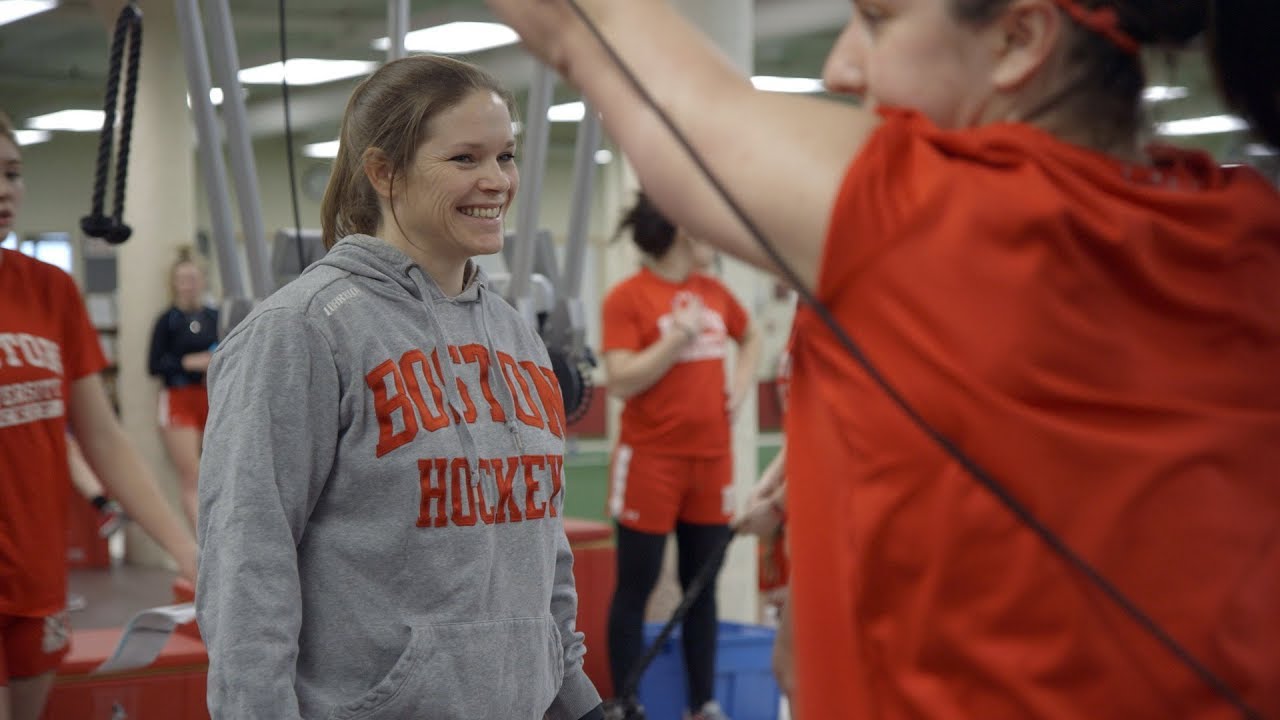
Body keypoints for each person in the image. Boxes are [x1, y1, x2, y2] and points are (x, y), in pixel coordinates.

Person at [482, 1, 1280, 718]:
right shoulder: (1244, 229)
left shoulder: (942, 215)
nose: (839, 66)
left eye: (879, 18)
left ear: (1018, 38)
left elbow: (593, 25)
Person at [195, 55, 604, 720]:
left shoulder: (515, 335)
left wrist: (572, 691)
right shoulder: (301, 331)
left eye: (505, 156)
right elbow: (247, 566)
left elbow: (538, 540)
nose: (496, 181)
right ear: (385, 172)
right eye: (465, 158)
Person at [0, 110, 198, 720]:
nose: (6, 189)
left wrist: (190, 555)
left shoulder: (48, 290)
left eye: (12, 172)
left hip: (35, 568)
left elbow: (104, 439)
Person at [601, 193, 760, 720]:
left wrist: (739, 387)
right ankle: (626, 703)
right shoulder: (628, 298)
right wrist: (675, 342)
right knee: (637, 587)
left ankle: (702, 704)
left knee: (701, 588)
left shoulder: (714, 292)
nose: (713, 240)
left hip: (710, 462)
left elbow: (752, 335)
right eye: (705, 229)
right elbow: (622, 378)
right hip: (651, 463)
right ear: (681, 233)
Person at [147, 248, 217, 529]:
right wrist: (187, 363)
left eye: (193, 278)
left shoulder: (214, 316)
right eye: (182, 279)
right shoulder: (167, 321)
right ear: (174, 283)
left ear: (202, 281)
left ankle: (218, 539)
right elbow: (154, 365)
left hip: (211, 397)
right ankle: (202, 548)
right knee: (192, 475)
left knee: (214, 473)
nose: (188, 285)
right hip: (178, 399)